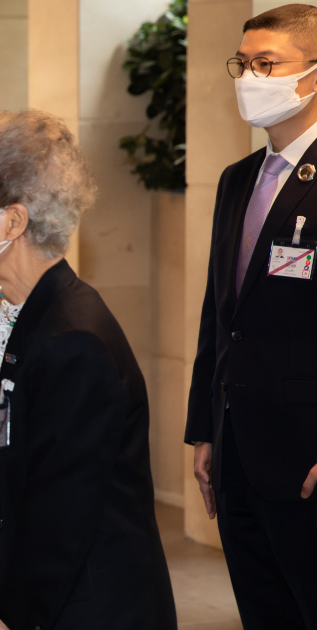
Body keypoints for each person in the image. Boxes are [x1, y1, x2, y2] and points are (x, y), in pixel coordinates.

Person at [0, 110, 176, 630]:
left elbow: (61, 518)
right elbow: (3, 482)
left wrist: (10, 618)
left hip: (90, 609)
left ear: (12, 221)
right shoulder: (24, 314)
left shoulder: (73, 339)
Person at [188, 5, 317, 628]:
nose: (249, 79)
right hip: (237, 444)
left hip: (305, 455)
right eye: (244, 64)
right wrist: (204, 428)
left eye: (268, 64)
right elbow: (220, 316)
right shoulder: (237, 179)